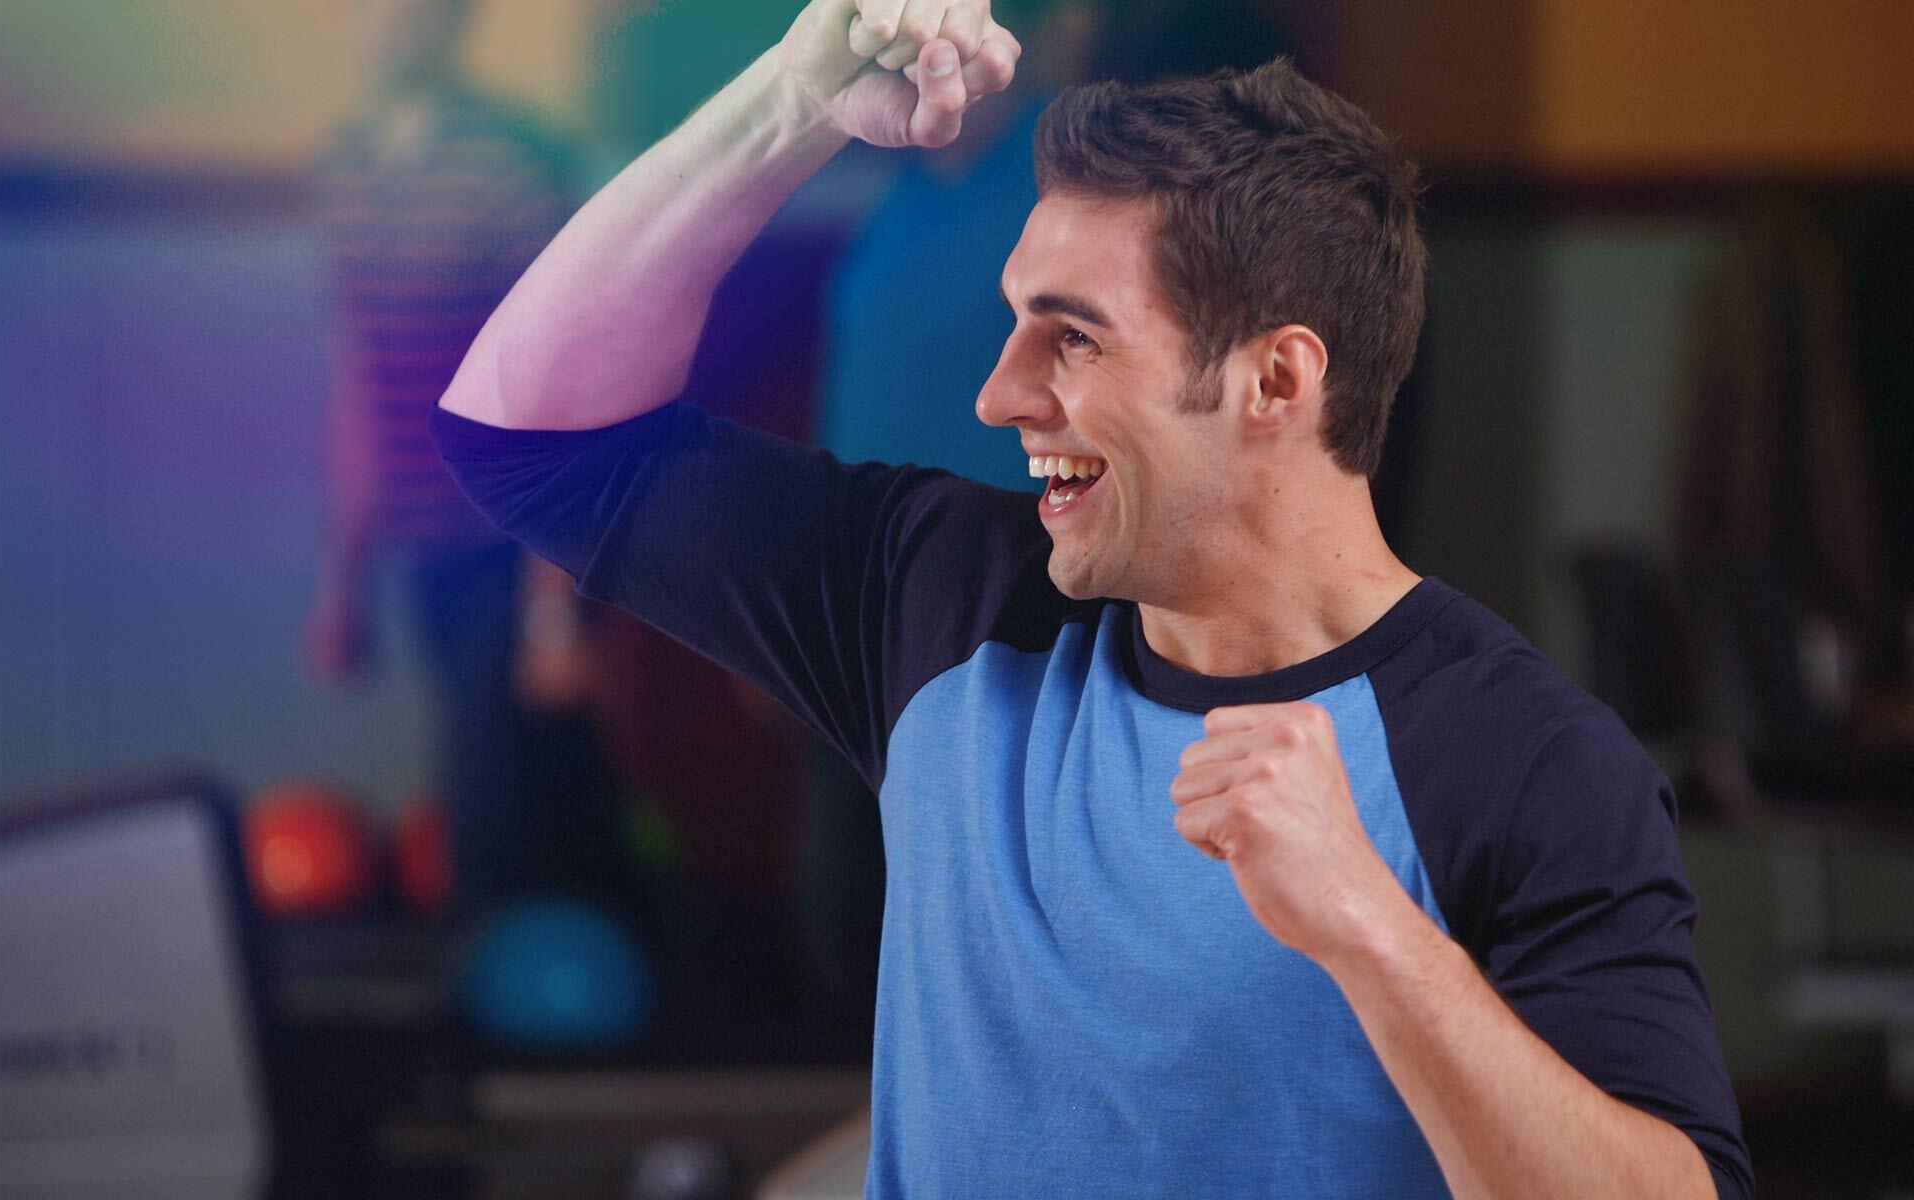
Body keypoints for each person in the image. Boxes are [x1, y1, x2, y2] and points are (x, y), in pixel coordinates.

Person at [426, 0, 1753, 1194]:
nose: (1001, 394)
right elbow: (529, 438)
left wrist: (1371, 935)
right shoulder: (938, 603)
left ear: (1275, 383)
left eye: (1073, 335)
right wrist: (790, 99)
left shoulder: (1524, 761)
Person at [302, 0, 627, 910]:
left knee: (497, 824)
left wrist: (553, 608)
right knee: (532, 796)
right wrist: (343, 577)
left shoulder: (516, 163)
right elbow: (357, 380)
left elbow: (560, 386)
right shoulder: (348, 164)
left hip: (515, 540)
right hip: (422, 542)